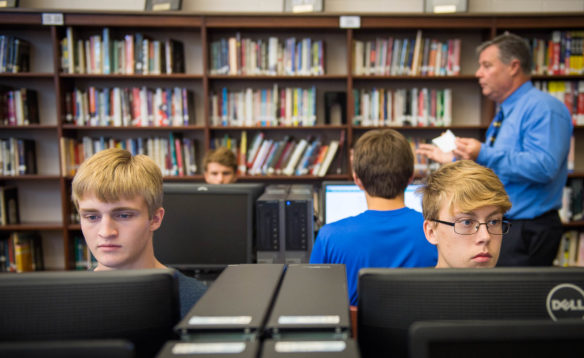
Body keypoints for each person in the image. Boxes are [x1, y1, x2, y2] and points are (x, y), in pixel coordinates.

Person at [417, 33, 573, 266]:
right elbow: (497, 174)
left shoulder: (544, 109)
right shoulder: (505, 112)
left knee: (513, 300)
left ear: (513, 67)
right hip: (501, 224)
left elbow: (544, 166)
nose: (479, 73)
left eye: (486, 65)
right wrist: (453, 163)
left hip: (526, 229)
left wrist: (483, 153)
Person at [71, 148, 206, 318]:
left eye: (124, 215)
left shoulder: (197, 302)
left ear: (155, 219)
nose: (106, 232)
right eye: (92, 217)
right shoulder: (64, 303)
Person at [310, 129, 437, 305]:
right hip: (420, 332)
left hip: (357, 333)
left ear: (357, 180)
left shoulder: (328, 237)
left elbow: (315, 301)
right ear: (411, 178)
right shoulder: (436, 232)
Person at [421, 160, 512, 268]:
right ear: (431, 232)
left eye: (494, 222)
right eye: (467, 222)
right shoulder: (408, 285)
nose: (485, 237)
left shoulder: (521, 284)